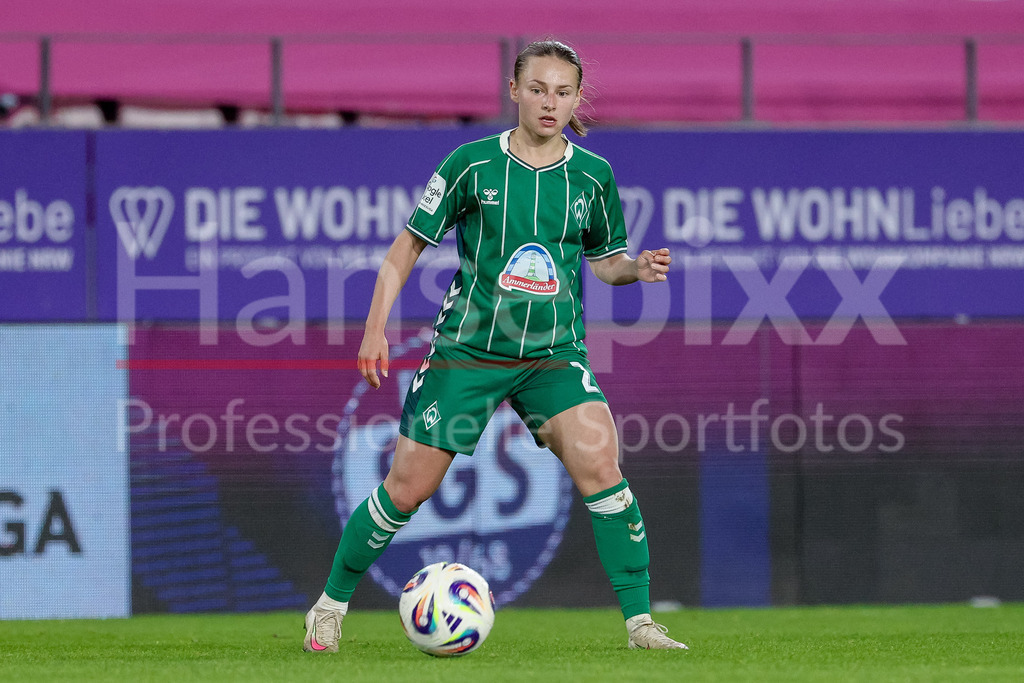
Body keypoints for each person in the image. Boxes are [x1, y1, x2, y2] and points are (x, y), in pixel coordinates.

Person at [304, 39, 686, 652]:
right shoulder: (470, 164)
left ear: (577, 98)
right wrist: (376, 325)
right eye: (538, 88)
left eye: (563, 92)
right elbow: (404, 251)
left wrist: (635, 269)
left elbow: (606, 263)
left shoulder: (594, 176)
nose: (549, 102)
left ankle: (641, 624)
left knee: (603, 468)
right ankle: (329, 606)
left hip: (552, 356)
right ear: (514, 90)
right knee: (406, 490)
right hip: (468, 353)